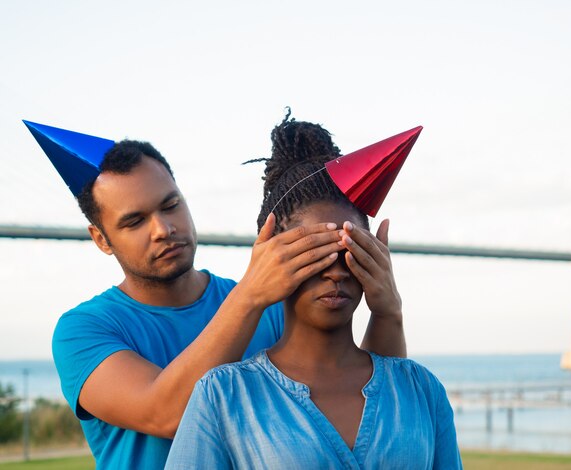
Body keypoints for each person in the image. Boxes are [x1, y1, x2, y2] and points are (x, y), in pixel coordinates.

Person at [23, 120, 407, 470]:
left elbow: (371, 399)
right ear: (101, 239)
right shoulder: (83, 330)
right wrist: (250, 296)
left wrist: (387, 313)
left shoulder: (271, 303)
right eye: (134, 221)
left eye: (170, 205)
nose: (163, 229)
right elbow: (168, 414)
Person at [165, 116, 462, 469]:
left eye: (350, 251)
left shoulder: (421, 390)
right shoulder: (223, 396)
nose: (335, 271)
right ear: (273, 257)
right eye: (313, 253)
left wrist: (390, 308)